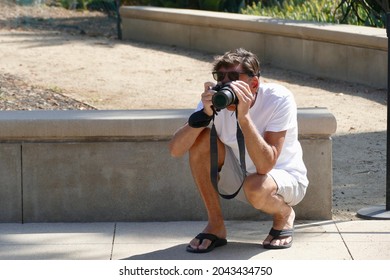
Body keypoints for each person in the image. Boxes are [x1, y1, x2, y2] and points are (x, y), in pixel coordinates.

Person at [169, 48, 308, 252]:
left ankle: (284, 214)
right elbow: (175, 150)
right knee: (201, 140)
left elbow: (265, 164)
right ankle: (216, 226)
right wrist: (203, 116)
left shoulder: (278, 98)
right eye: (221, 77)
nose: (226, 83)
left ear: (253, 83)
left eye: (234, 77)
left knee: (255, 185)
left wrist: (244, 117)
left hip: (284, 179)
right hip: (242, 176)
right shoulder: (216, 98)